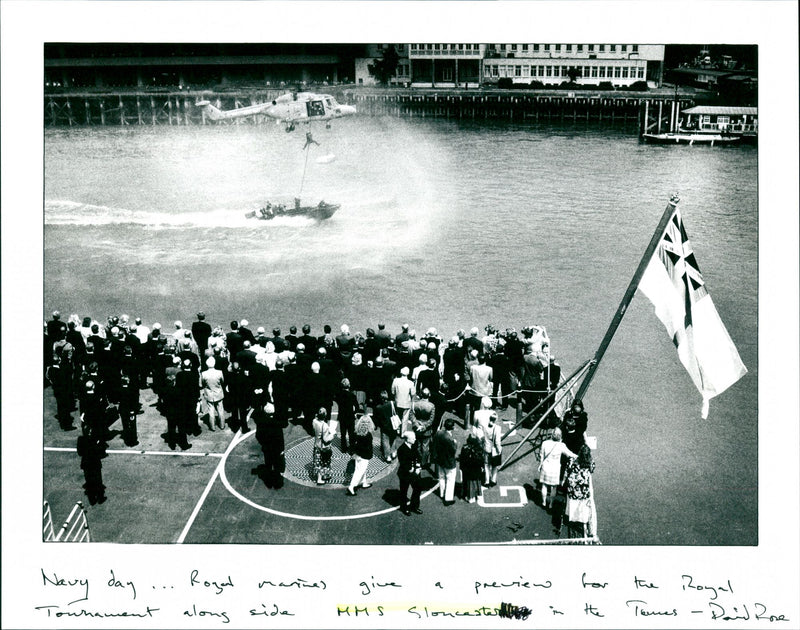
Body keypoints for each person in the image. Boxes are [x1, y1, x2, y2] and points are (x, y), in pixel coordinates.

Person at [538, 427, 577, 511]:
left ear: (552, 435)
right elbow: (570, 454)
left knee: (544, 485)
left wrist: (540, 465)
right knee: (554, 487)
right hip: (555, 469)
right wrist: (578, 456)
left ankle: (544, 502)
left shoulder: (545, 443)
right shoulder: (561, 445)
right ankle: (551, 504)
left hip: (545, 467)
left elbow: (541, 455)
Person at [564, 444, 596, 539]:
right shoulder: (590, 462)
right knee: (585, 506)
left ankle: (572, 517)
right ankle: (584, 521)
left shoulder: (572, 460)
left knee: (572, 502)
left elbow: (567, 470)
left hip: (573, 489)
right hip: (584, 490)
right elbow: (592, 470)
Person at [253, 402, 285, 489]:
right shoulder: (277, 423)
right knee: (277, 465)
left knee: (268, 464)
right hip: (276, 449)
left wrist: (263, 443)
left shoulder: (261, 423)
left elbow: (258, 435)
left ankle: (269, 481)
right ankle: (277, 481)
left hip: (267, 448)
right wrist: (282, 449)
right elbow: (280, 438)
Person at [76, 422, 107, 505]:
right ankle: (99, 497)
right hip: (94, 462)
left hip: (86, 463)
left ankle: (93, 499)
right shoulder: (94, 439)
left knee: (90, 481)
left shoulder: (81, 439)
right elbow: (100, 451)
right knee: (97, 481)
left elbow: (80, 452)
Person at [346, 414, 375, 496]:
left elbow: (353, 444)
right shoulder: (368, 435)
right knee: (359, 471)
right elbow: (368, 447)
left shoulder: (356, 432)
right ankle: (351, 487)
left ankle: (364, 482)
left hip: (358, 454)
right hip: (364, 455)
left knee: (360, 469)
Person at [432, 418, 458, 506]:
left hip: (440, 460)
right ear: (453, 427)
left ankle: (442, 493)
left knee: (442, 478)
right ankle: (448, 498)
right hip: (449, 462)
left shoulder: (438, 433)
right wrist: (455, 443)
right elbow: (453, 451)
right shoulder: (449, 439)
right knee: (450, 480)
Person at [396, 431, 423, 516]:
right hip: (405, 474)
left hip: (414, 471)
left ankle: (414, 506)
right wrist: (412, 469)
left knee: (418, 488)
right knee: (404, 491)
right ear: (407, 440)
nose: (415, 439)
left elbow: (417, 456)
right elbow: (403, 463)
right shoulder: (401, 449)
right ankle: (404, 508)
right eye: (412, 438)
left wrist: (418, 466)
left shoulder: (413, 445)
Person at [201, 356, 226, 431]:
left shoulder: (203, 374)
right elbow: (222, 381)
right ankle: (222, 425)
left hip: (209, 394)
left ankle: (212, 426)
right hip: (218, 393)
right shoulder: (219, 372)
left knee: (211, 411)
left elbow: (202, 383)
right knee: (220, 409)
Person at [459, 434, 485, 503]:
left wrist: (461, 468)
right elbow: (482, 460)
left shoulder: (465, 448)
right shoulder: (479, 448)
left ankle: (471, 497)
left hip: (468, 470)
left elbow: (462, 459)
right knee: (477, 482)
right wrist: (482, 467)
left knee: (469, 483)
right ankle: (478, 495)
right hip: (477, 470)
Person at [312, 408, 334, 485]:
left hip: (316, 444)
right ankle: (321, 478)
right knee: (324, 462)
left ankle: (319, 477)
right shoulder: (325, 425)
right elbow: (325, 439)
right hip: (323, 447)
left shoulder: (314, 421)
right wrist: (332, 435)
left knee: (318, 462)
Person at [482, 411, 503, 487]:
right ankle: (493, 480)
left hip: (486, 448)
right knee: (494, 466)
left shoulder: (485, 426)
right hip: (494, 450)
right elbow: (497, 442)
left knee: (486, 465)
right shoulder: (497, 428)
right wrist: (499, 450)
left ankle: (486, 481)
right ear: (496, 420)